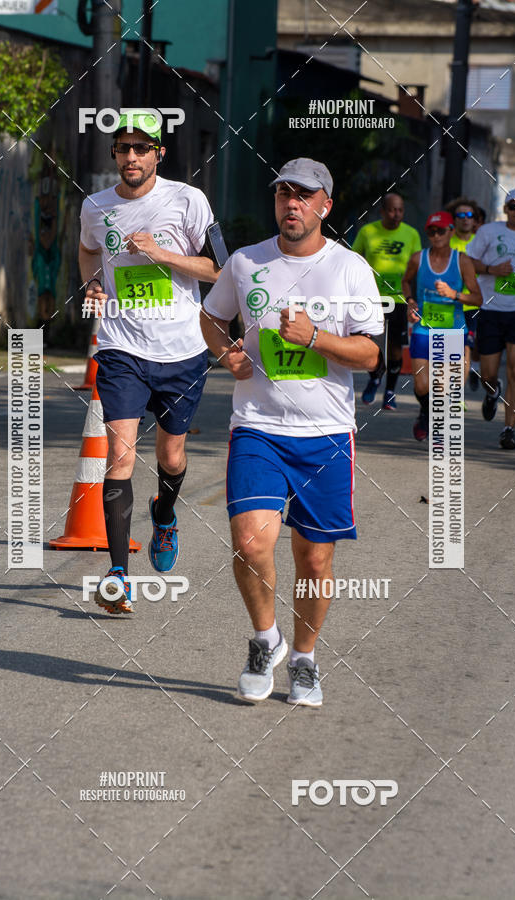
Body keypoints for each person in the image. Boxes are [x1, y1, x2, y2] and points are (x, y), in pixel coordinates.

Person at [200, 158, 384, 707]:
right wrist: (225, 351)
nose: (291, 204)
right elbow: (211, 318)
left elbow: (372, 353)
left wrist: (316, 337)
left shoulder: (350, 269)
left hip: (326, 434)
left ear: (325, 205)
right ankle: (265, 639)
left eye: (303, 195)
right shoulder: (244, 262)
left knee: (315, 559)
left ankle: (303, 658)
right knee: (251, 539)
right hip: (257, 426)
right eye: (283, 194)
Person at [79, 109, 220, 613]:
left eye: (142, 148)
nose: (132, 157)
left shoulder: (188, 200)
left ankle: (164, 515)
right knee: (119, 456)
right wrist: (92, 283)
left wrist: (163, 256)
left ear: (159, 153)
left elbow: (217, 268)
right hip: (121, 348)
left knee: (171, 456)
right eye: (124, 148)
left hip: (182, 350)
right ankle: (117, 575)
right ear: (114, 154)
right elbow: (88, 250)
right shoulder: (95, 205)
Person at [465, 188, 515, 449]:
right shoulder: (489, 232)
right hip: (492, 309)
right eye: (512, 206)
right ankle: (493, 391)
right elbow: (467, 261)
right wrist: (491, 269)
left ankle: (509, 429)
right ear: (506, 209)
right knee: (488, 374)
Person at [402, 211, 482, 441]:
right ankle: (426, 412)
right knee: (421, 385)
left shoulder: (463, 261)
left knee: (441, 388)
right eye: (431, 231)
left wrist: (454, 294)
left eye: (440, 231)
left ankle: (432, 422)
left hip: (453, 331)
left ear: (451, 232)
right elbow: (406, 281)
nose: (436, 235)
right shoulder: (418, 258)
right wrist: (410, 301)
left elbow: (477, 298)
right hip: (423, 328)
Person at [352, 192, 421, 409]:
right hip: (372, 299)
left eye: (400, 210)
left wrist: (413, 300)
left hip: (399, 299)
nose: (396, 214)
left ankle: (390, 391)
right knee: (372, 344)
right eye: (392, 209)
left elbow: (418, 270)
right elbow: (354, 260)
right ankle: (374, 378)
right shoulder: (368, 231)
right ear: (382, 211)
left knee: (395, 348)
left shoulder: (411, 234)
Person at [445, 196, 482, 391]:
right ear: (454, 219)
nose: (465, 219)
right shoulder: (445, 241)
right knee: (452, 349)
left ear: (475, 220)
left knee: (466, 347)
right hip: (449, 303)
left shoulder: (481, 243)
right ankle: (451, 390)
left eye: (469, 215)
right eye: (460, 215)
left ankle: (458, 391)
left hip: (473, 305)